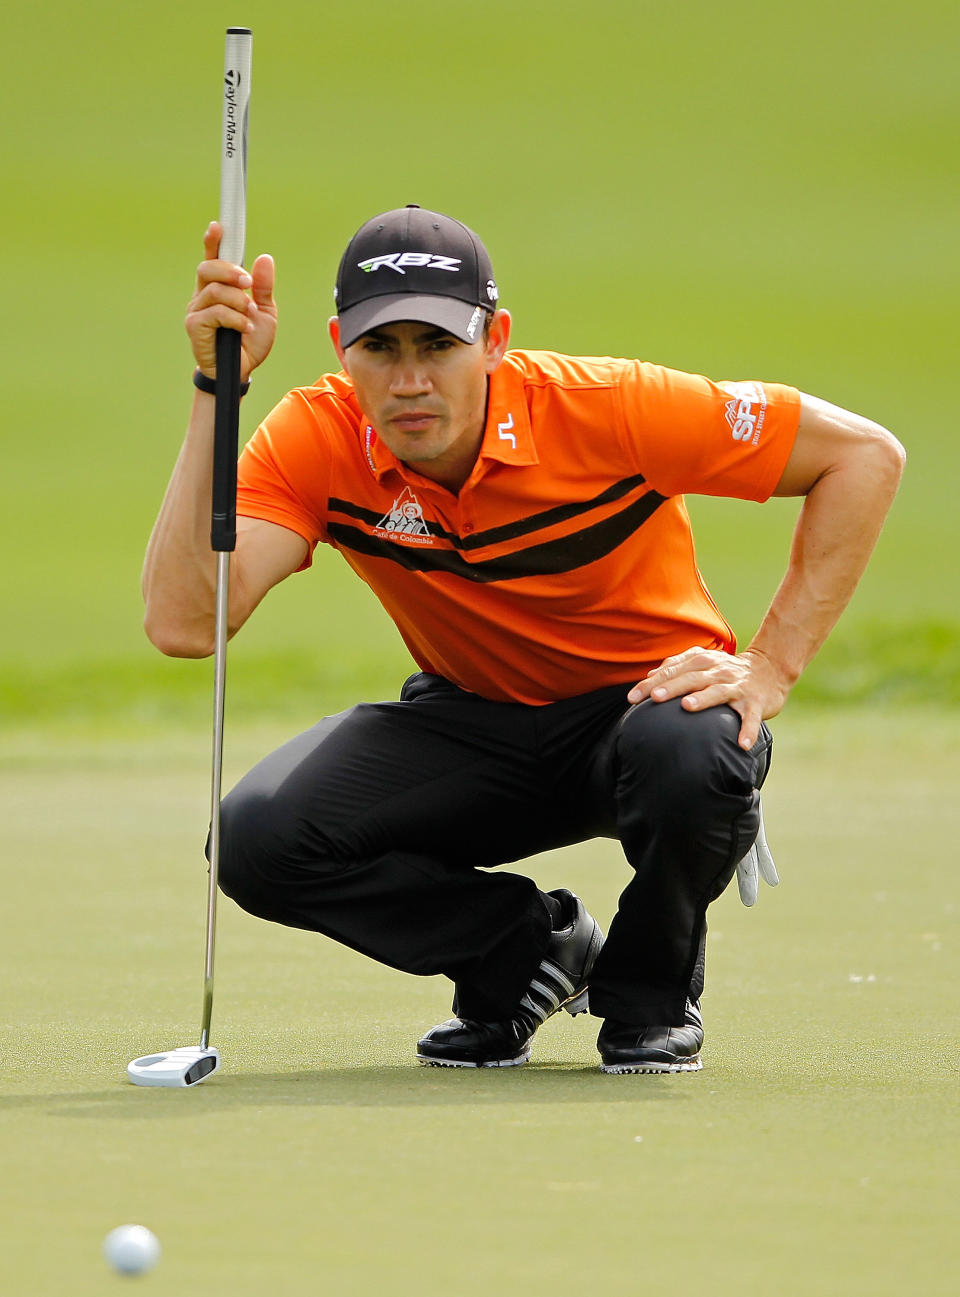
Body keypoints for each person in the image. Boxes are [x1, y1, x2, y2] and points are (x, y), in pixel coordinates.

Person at [143, 205, 904, 1074]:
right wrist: (218, 391)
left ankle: (650, 993)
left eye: (437, 345)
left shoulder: (611, 408)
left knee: (695, 749)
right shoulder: (318, 436)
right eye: (380, 349)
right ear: (339, 347)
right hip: (473, 723)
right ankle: (523, 951)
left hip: (641, 720)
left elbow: (864, 458)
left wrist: (768, 667)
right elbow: (183, 621)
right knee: (259, 838)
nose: (408, 380)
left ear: (495, 339)